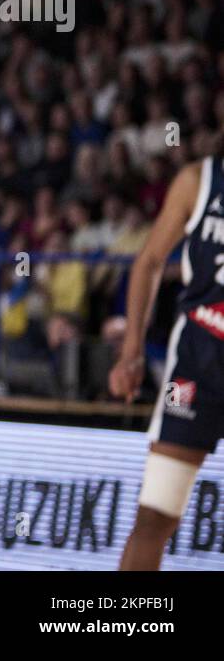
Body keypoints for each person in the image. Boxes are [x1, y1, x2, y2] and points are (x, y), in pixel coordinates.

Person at [110, 152, 224, 569]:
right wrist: (131, 352)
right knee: (155, 514)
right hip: (198, 364)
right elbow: (150, 260)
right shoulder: (201, 179)